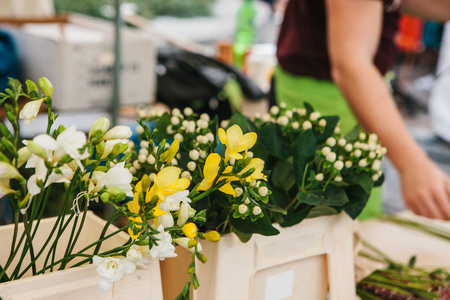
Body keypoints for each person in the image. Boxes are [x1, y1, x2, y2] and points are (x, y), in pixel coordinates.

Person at [272, 0, 450, 220]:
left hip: (347, 96)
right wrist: (413, 165)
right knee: (331, 225)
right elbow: (351, 66)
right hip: (330, 102)